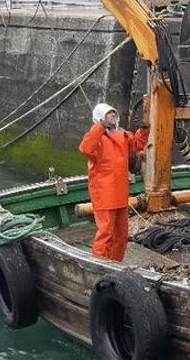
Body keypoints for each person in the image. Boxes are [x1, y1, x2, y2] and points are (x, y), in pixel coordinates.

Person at [78, 103, 149, 261]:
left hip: (119, 193)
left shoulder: (122, 134)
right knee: (105, 233)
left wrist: (144, 129)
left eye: (113, 113)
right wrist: (99, 128)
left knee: (121, 235)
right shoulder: (97, 138)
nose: (113, 116)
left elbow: (136, 144)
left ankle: (115, 264)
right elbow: (85, 148)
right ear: (101, 118)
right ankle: (99, 265)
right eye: (109, 114)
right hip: (104, 194)